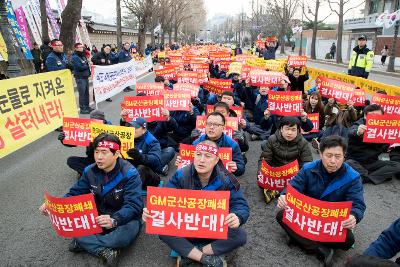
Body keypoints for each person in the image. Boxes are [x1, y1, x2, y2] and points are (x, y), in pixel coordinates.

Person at [39, 133, 143, 266]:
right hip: (98, 214)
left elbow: (134, 205)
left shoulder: (130, 174)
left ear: (116, 153)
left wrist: (115, 219)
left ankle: (86, 243)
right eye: (96, 152)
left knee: (129, 231)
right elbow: (75, 193)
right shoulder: (89, 171)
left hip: (121, 216)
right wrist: (53, 207)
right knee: (73, 223)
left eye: (104, 152)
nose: (99, 157)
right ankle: (104, 251)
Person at [143, 140, 249, 267]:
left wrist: (237, 216)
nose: (201, 160)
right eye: (198, 154)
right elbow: (164, 200)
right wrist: (151, 212)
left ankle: (194, 255)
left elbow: (241, 205)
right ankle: (205, 258)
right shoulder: (181, 175)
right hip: (187, 227)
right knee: (161, 228)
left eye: (208, 156)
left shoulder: (227, 179)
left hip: (213, 230)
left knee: (240, 235)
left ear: (216, 160)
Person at [276, 135, 366, 267]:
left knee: (348, 240)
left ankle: (298, 237)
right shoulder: (308, 169)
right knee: (281, 215)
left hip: (330, 222)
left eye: (338, 156)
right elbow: (293, 187)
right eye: (329, 155)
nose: (333, 161)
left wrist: (354, 216)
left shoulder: (353, 177)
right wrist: (284, 196)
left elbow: (358, 204)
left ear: (344, 156)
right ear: (320, 153)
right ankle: (319, 249)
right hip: (308, 216)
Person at [259, 116, 313, 203]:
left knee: (306, 184)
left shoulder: (303, 143)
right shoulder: (272, 139)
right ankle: (284, 191)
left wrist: (300, 176)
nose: (289, 133)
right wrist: (261, 174)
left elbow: (306, 163)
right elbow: (265, 160)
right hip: (275, 172)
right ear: (281, 129)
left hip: (293, 174)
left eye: (293, 130)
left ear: (298, 131)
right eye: (287, 129)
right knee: (261, 182)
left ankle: (277, 191)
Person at [345, 104, 400, 184]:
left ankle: (366, 178)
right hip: (355, 161)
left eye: (378, 116)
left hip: (372, 162)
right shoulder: (359, 124)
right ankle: (371, 175)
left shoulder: (384, 129)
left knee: (396, 166)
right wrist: (358, 132)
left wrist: (395, 138)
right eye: (372, 116)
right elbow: (351, 131)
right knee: (347, 163)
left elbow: (385, 148)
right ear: (365, 116)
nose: (376, 118)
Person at [58, 110, 112, 176]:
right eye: (93, 120)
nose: (96, 123)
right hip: (92, 159)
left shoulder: (110, 130)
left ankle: (92, 174)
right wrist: (63, 139)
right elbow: (73, 143)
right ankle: (90, 175)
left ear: (103, 120)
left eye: (98, 120)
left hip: (107, 159)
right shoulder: (87, 128)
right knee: (71, 160)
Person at [192, 112, 245, 176]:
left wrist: (236, 167)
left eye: (216, 125)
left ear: (223, 128)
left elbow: (241, 168)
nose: (211, 127)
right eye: (209, 124)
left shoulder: (232, 144)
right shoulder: (197, 143)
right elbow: (190, 164)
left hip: (223, 179)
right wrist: (181, 162)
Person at [125, 117, 162, 190]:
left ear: (144, 129)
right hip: (130, 169)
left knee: (141, 168)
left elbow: (156, 160)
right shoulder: (126, 138)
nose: (131, 130)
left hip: (148, 174)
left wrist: (140, 157)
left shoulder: (152, 141)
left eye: (135, 128)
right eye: (130, 127)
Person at [71, 43, 92, 114]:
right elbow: (79, 67)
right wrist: (88, 65)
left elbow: (85, 64)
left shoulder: (83, 56)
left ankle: (87, 106)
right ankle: (82, 108)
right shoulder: (75, 57)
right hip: (80, 78)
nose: (81, 48)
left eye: (82, 47)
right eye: (79, 47)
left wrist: (87, 64)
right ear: (76, 48)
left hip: (85, 77)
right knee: (82, 94)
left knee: (86, 93)